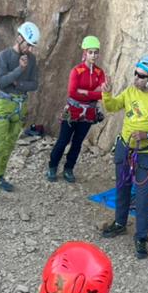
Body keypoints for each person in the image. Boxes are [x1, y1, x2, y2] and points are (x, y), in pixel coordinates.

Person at [100, 56, 148, 259]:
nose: (136, 78)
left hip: (146, 153)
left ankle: (141, 237)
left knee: (143, 198)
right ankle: (120, 223)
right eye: (135, 73)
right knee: (122, 188)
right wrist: (106, 93)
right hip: (125, 148)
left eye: (141, 76)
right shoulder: (130, 92)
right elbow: (113, 107)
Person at [0, 22, 40, 203]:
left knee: (9, 145)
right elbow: (1, 82)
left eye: (32, 46)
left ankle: (0, 176)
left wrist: (18, 83)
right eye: (28, 45)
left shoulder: (32, 60)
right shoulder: (5, 56)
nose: (29, 49)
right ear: (19, 38)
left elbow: (34, 84)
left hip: (19, 105)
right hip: (5, 104)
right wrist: (19, 70)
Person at [46, 36, 106, 183]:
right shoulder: (77, 71)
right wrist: (93, 93)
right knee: (63, 140)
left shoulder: (99, 72)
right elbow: (72, 92)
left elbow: (102, 94)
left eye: (96, 52)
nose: (93, 55)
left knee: (77, 143)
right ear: (85, 52)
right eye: (90, 52)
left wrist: (84, 92)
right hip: (73, 111)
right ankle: (52, 166)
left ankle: (69, 168)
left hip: (88, 113)